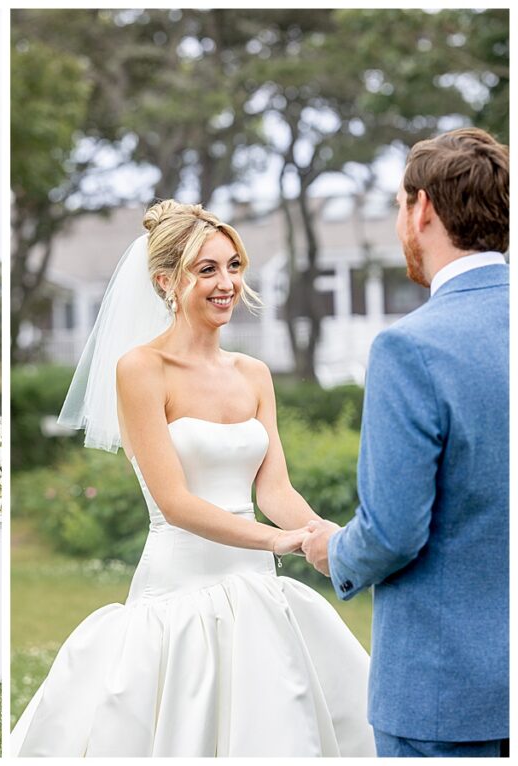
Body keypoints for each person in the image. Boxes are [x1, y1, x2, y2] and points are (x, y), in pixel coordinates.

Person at [10, 202, 375, 757]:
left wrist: (328, 534)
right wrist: (277, 541)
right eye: (206, 270)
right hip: (179, 589)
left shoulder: (253, 373)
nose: (226, 283)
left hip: (256, 585)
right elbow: (175, 501)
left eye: (233, 266)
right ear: (165, 281)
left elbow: (273, 490)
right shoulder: (140, 370)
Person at [302, 127, 509, 757]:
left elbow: (392, 530)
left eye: (398, 205)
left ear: (421, 209)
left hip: (446, 697)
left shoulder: (410, 348)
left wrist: (334, 551)